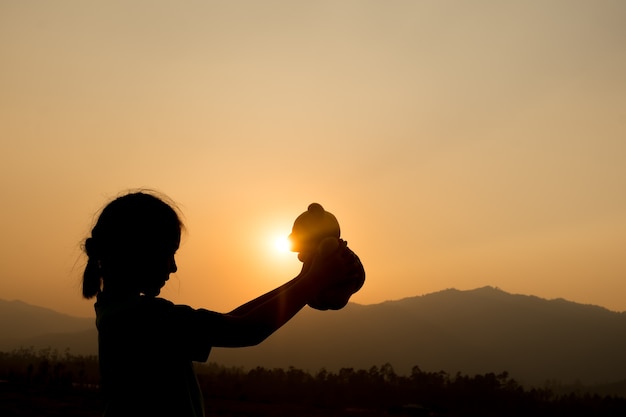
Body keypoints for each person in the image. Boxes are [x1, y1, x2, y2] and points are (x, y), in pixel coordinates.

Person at [81, 191, 363, 417]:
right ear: (137, 253)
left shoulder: (119, 313)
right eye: (168, 254)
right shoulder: (143, 320)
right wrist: (314, 281)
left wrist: (301, 280)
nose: (174, 267)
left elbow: (232, 320)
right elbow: (247, 330)